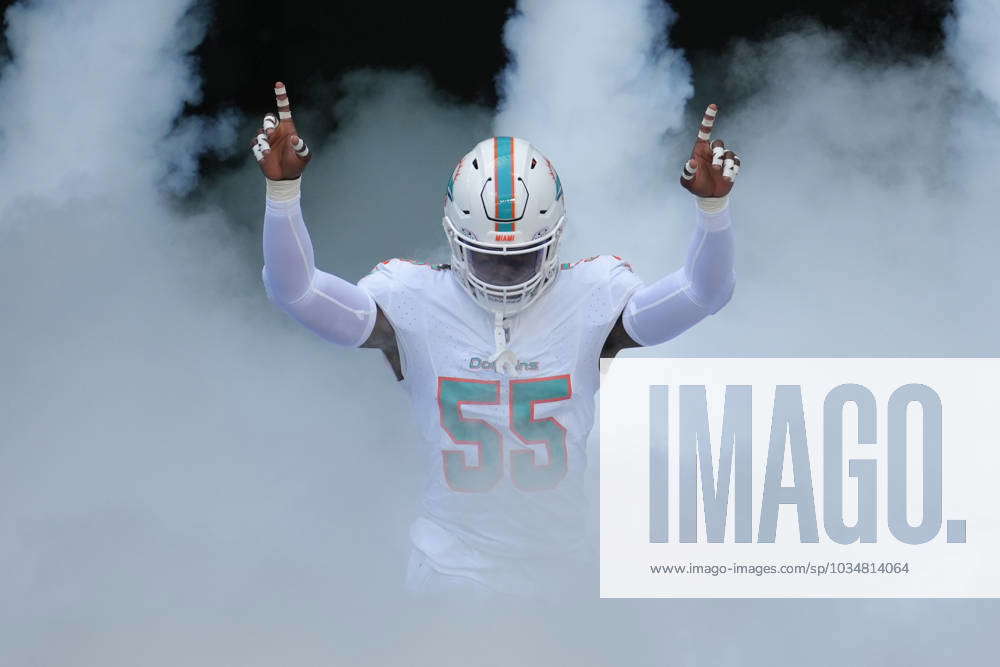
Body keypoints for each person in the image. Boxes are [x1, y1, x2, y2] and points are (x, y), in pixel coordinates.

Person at [252, 81, 741, 597]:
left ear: (554, 240)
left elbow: (704, 293)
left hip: (560, 570)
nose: (504, 278)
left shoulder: (591, 297)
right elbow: (297, 292)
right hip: (450, 568)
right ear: (454, 240)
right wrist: (283, 197)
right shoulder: (414, 301)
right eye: (488, 257)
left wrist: (714, 213)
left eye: (520, 259)